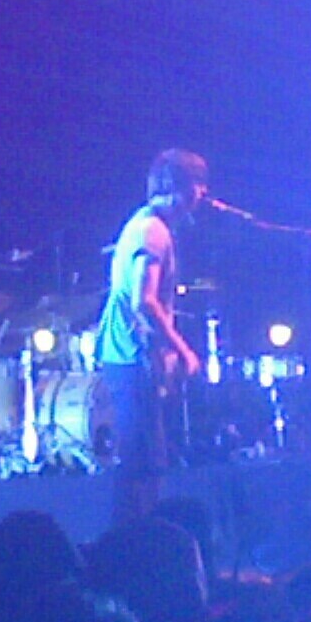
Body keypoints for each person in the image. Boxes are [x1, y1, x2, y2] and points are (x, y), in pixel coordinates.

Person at [98, 148, 207, 524]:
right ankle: (130, 549)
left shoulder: (148, 226)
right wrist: (184, 350)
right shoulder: (153, 232)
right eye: (198, 183)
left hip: (132, 357)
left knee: (144, 462)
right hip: (131, 359)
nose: (203, 193)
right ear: (180, 187)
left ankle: (132, 546)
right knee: (142, 465)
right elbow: (144, 300)